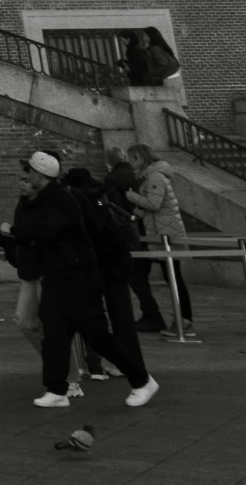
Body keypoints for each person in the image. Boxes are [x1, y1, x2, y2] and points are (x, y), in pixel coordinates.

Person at [0, 150, 158, 408]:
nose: (24, 178)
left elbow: (46, 229)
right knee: (54, 333)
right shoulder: (39, 199)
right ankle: (57, 389)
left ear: (40, 175)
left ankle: (141, 380)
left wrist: (13, 231)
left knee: (96, 335)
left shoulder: (61, 199)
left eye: (28, 173)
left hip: (78, 276)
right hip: (56, 275)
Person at [66, 166, 148, 378]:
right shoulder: (100, 196)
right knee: (123, 318)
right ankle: (131, 362)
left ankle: (104, 364)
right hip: (118, 263)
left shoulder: (83, 201)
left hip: (102, 265)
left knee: (95, 318)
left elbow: (94, 232)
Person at [125, 143, 193, 329]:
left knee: (173, 277)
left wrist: (132, 197)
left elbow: (154, 203)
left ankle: (184, 319)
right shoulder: (151, 176)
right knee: (170, 276)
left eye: (131, 159)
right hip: (159, 232)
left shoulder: (155, 176)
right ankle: (180, 318)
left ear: (140, 158)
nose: (130, 163)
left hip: (165, 234)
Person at [104, 151, 169, 332]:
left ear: (109, 162)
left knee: (135, 277)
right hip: (149, 229)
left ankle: (152, 314)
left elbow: (115, 206)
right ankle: (154, 314)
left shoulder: (112, 178)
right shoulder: (140, 175)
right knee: (143, 275)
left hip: (130, 232)